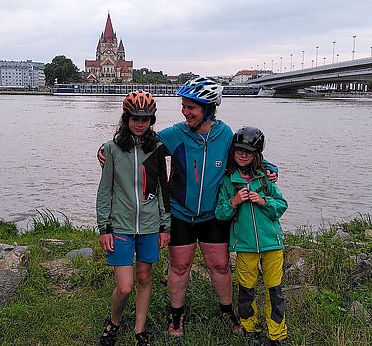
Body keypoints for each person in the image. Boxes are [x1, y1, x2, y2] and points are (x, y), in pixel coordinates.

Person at [97, 77, 278, 339]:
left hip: (213, 213)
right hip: (180, 212)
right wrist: (104, 148)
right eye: (184, 106)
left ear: (208, 108)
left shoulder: (225, 134)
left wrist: (267, 167)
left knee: (220, 265)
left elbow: (243, 153)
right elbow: (138, 140)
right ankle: (176, 314)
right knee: (179, 266)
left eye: (191, 107)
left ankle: (227, 310)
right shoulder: (175, 134)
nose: (185, 112)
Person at [96, 91, 171, 346]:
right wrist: (103, 228)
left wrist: (165, 225)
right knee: (126, 286)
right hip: (120, 226)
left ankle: (140, 330)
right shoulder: (112, 148)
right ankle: (114, 321)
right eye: (135, 118)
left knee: (144, 277)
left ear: (152, 120)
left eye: (146, 119)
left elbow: (162, 188)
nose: (140, 124)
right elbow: (105, 190)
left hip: (150, 225)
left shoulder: (158, 148)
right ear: (126, 118)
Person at [215, 126, 288, 346]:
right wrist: (234, 201)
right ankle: (250, 329)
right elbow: (220, 213)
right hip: (245, 246)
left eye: (249, 151)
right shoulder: (228, 180)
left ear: (257, 155)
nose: (243, 155)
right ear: (233, 151)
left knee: (274, 290)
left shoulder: (265, 180)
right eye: (239, 150)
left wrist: (264, 201)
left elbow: (282, 205)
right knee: (247, 291)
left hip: (272, 245)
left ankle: (277, 334)